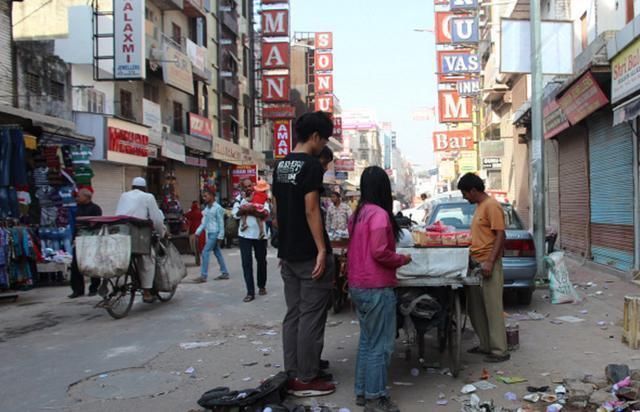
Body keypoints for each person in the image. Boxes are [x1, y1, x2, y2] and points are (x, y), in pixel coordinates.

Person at [272, 111, 336, 397]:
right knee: (311, 316)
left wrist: (284, 245)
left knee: (294, 314)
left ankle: (293, 371)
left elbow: (276, 213)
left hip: (288, 253)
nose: (324, 145)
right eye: (324, 140)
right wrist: (322, 249)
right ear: (314, 137)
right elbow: (311, 209)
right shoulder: (310, 165)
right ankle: (307, 379)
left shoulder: (281, 166)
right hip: (310, 255)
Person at [347, 166, 412, 412]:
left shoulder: (358, 214)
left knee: (367, 341)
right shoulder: (379, 215)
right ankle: (376, 398)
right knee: (380, 346)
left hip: (358, 284)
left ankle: (363, 392)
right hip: (376, 286)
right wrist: (402, 259)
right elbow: (379, 252)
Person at [457, 172, 510, 363]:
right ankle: (485, 344)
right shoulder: (480, 207)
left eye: (465, 193)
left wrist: (489, 261)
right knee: (476, 308)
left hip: (489, 263)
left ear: (473, 190)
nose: (464, 197)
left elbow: (500, 236)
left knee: (492, 307)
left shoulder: (492, 206)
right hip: (476, 262)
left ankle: (499, 350)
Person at [115, 177, 167, 303]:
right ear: (144, 188)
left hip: (121, 233)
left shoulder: (123, 196)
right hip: (139, 234)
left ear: (132, 187)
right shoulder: (148, 197)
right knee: (148, 259)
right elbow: (157, 219)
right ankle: (147, 291)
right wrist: (162, 233)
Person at [232, 178, 270, 302]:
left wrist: (251, 210)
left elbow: (265, 213)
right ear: (242, 188)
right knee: (246, 263)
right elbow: (235, 213)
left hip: (260, 236)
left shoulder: (261, 195)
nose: (248, 188)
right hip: (244, 235)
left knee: (261, 261)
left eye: (250, 186)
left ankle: (262, 285)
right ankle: (250, 292)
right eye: (246, 186)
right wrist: (246, 210)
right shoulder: (239, 198)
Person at [69, 188, 102, 298]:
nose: (77, 198)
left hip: (91, 240)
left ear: (86, 197)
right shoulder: (77, 209)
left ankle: (94, 288)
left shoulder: (95, 208)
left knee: (92, 264)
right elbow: (76, 226)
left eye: (79, 196)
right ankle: (77, 290)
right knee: (75, 265)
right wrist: (73, 238)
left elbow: (97, 225)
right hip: (79, 239)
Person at [195, 186, 229, 282]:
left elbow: (221, 223)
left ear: (212, 196)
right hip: (210, 233)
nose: (204, 198)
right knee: (217, 253)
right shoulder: (207, 209)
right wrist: (198, 232)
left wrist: (220, 236)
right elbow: (204, 223)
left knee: (205, 252)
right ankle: (224, 272)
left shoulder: (217, 208)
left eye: (206, 196)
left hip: (215, 233)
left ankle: (203, 275)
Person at [185, 201, 203, 266]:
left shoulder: (191, 213)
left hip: (192, 230)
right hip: (200, 231)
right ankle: (199, 258)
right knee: (198, 245)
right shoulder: (200, 213)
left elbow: (186, 215)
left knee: (194, 246)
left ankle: (195, 256)